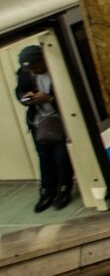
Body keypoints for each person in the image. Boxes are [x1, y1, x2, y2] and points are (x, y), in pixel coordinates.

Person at [14, 45, 73, 212]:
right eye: (30, 68)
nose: (33, 70)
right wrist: (24, 98)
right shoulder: (24, 73)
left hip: (59, 120)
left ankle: (64, 188)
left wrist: (50, 98)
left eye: (35, 66)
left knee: (61, 157)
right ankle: (47, 191)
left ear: (43, 60)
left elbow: (70, 94)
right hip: (38, 122)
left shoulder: (57, 69)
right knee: (44, 157)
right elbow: (19, 92)